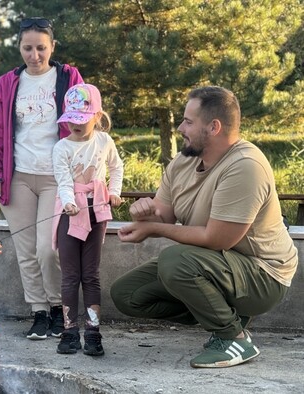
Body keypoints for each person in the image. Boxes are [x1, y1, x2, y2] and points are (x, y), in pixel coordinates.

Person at [111, 86, 298, 368]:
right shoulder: (183, 161)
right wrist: (145, 214)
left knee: (176, 261)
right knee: (127, 295)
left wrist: (156, 229)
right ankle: (228, 315)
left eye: (188, 121)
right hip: (218, 267)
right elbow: (163, 214)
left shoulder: (245, 165)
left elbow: (216, 239)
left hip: (264, 275)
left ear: (213, 127)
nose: (179, 128)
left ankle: (234, 338)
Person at [0, 17, 84, 340]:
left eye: (41, 48)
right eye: (27, 48)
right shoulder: (8, 83)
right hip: (19, 177)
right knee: (26, 251)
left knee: (48, 248)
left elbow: (85, 122)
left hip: (57, 177)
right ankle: (39, 312)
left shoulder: (68, 77)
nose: (34, 55)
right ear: (20, 48)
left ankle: (59, 308)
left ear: (52, 47)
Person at [51, 84, 123, 356]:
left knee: (90, 275)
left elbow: (116, 167)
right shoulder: (61, 147)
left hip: (97, 212)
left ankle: (93, 332)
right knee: (70, 275)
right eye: (71, 119)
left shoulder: (105, 142)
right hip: (70, 212)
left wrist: (114, 192)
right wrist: (69, 202)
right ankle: (69, 331)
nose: (75, 125)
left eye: (81, 119)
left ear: (97, 116)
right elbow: (63, 179)